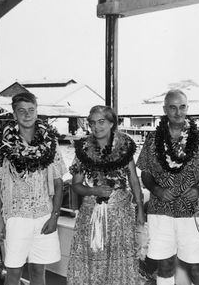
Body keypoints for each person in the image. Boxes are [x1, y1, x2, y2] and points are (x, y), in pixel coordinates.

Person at [137, 89, 199, 285]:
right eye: (172, 107)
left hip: (191, 212)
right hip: (160, 212)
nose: (178, 112)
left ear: (187, 108)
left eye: (182, 107)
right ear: (165, 109)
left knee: (197, 269)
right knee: (165, 266)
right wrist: (157, 190)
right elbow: (145, 173)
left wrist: (198, 188)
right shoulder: (152, 140)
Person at [0, 92, 66, 285]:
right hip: (15, 216)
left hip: (43, 215)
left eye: (31, 110)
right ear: (14, 114)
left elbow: (58, 182)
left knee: (38, 271)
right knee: (13, 272)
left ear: (37, 112)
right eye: (21, 111)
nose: (26, 115)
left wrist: (55, 216)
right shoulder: (3, 145)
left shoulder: (51, 143)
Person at [67, 105, 145, 285]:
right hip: (91, 217)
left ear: (111, 123)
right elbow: (76, 185)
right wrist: (93, 191)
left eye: (101, 121)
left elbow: (134, 181)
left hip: (121, 217)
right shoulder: (83, 149)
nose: (96, 127)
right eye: (92, 122)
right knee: (93, 262)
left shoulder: (125, 146)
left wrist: (140, 209)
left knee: (120, 265)